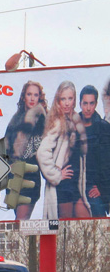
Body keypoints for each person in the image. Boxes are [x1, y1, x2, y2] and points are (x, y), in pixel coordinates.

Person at [37, 80, 88, 220]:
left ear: (74, 100)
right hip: (63, 185)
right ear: (58, 100)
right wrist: (56, 174)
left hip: (76, 183)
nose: (66, 103)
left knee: (86, 222)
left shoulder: (75, 119)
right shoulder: (58, 122)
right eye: (63, 99)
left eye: (70, 98)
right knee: (65, 231)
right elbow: (42, 153)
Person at [3, 80, 47, 220]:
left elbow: (41, 146)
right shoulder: (16, 118)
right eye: (29, 94)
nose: (32, 98)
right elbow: (6, 144)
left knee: (20, 222)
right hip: (13, 175)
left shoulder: (39, 116)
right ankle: (25, 242)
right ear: (24, 97)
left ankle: (23, 242)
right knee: (19, 223)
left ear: (40, 97)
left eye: (36, 94)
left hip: (30, 173)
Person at [79, 84, 110, 217]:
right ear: (80, 103)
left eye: (91, 103)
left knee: (100, 225)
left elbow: (107, 163)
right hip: (73, 187)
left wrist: (102, 189)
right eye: (85, 103)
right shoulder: (71, 126)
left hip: (94, 187)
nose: (88, 108)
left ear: (96, 104)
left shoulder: (105, 129)